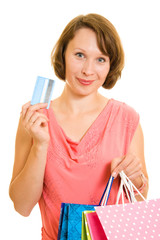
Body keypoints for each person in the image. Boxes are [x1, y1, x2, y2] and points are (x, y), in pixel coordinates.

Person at [9, 13, 149, 239]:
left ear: (110, 64)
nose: (88, 70)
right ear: (63, 55)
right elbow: (22, 206)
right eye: (80, 55)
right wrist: (40, 145)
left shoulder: (126, 119)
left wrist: (136, 177)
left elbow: (138, 196)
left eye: (101, 59)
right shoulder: (35, 119)